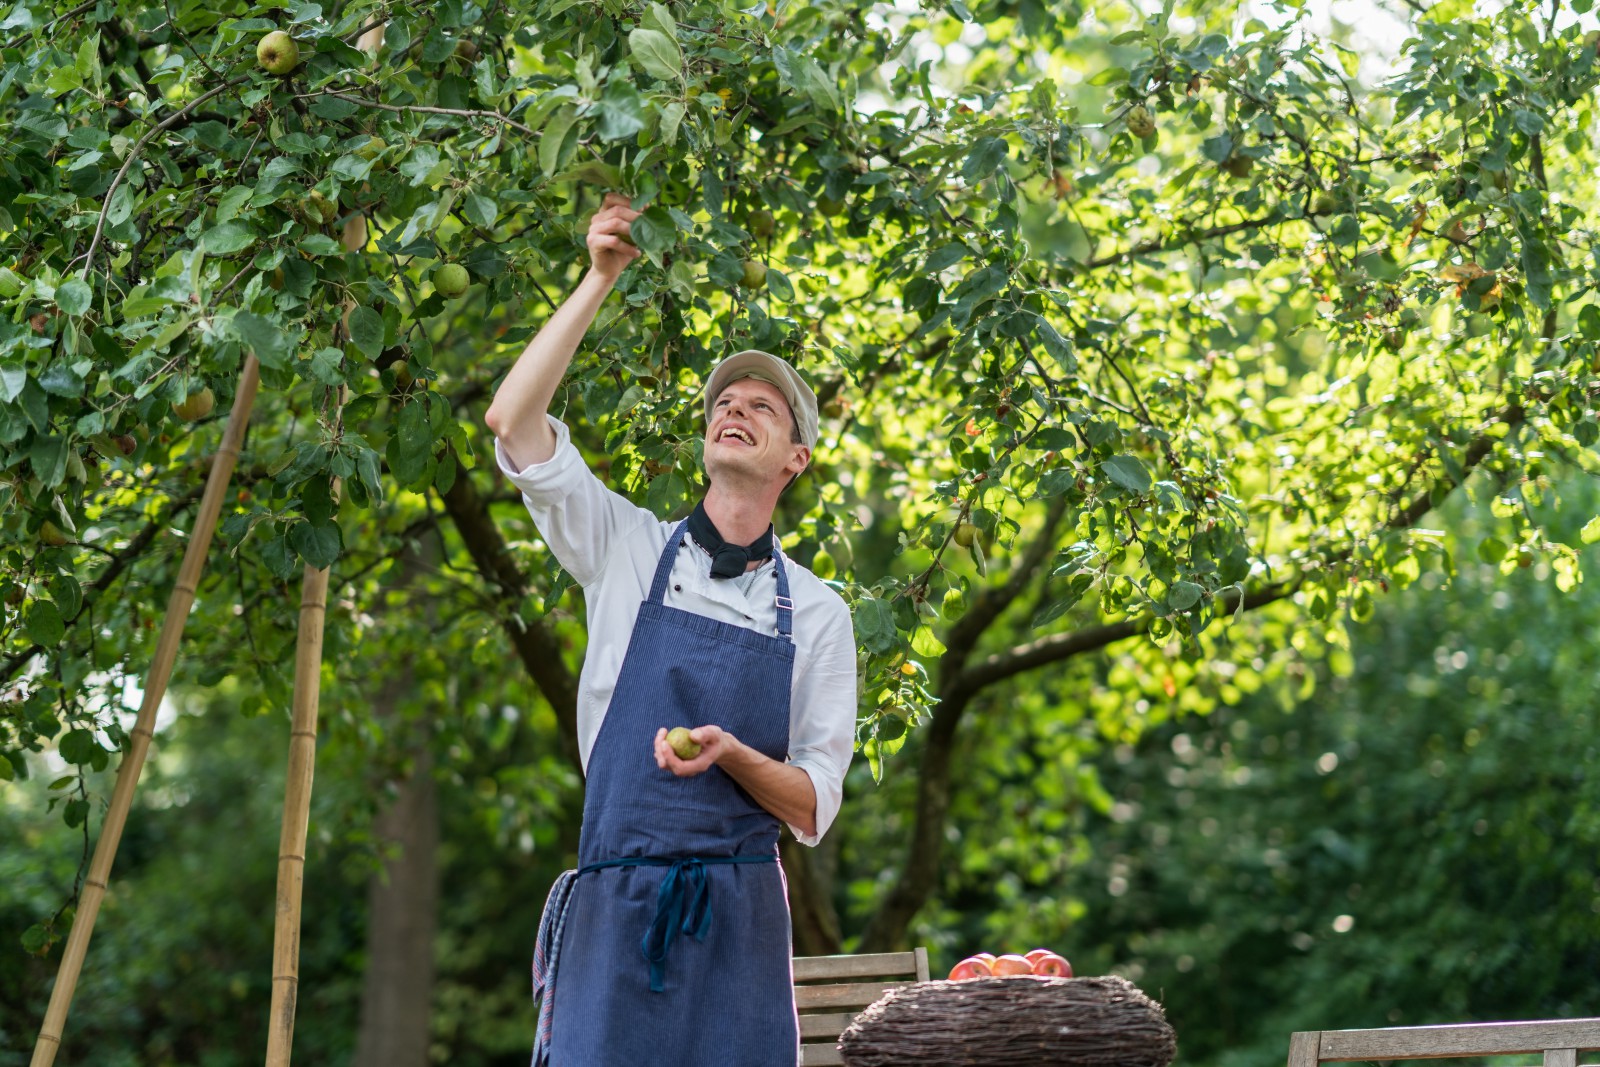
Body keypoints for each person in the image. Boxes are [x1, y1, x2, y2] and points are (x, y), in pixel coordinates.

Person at [485, 192, 858, 1066]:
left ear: (796, 458)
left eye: (762, 406)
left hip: (740, 926)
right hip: (615, 910)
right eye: (725, 400)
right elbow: (513, 421)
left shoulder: (819, 612)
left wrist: (731, 754)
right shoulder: (623, 547)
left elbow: (812, 803)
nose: (735, 408)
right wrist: (598, 277)